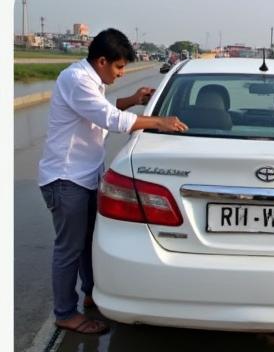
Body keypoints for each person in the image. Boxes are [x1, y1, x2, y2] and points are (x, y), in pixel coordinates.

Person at [38, 28, 188, 335]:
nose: (121, 73)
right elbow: (111, 121)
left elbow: (100, 112)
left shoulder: (89, 80)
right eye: (119, 67)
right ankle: (65, 313)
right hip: (66, 178)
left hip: (83, 176)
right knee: (69, 248)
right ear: (102, 61)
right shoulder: (77, 80)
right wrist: (159, 121)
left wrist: (132, 100)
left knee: (86, 242)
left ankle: (91, 294)